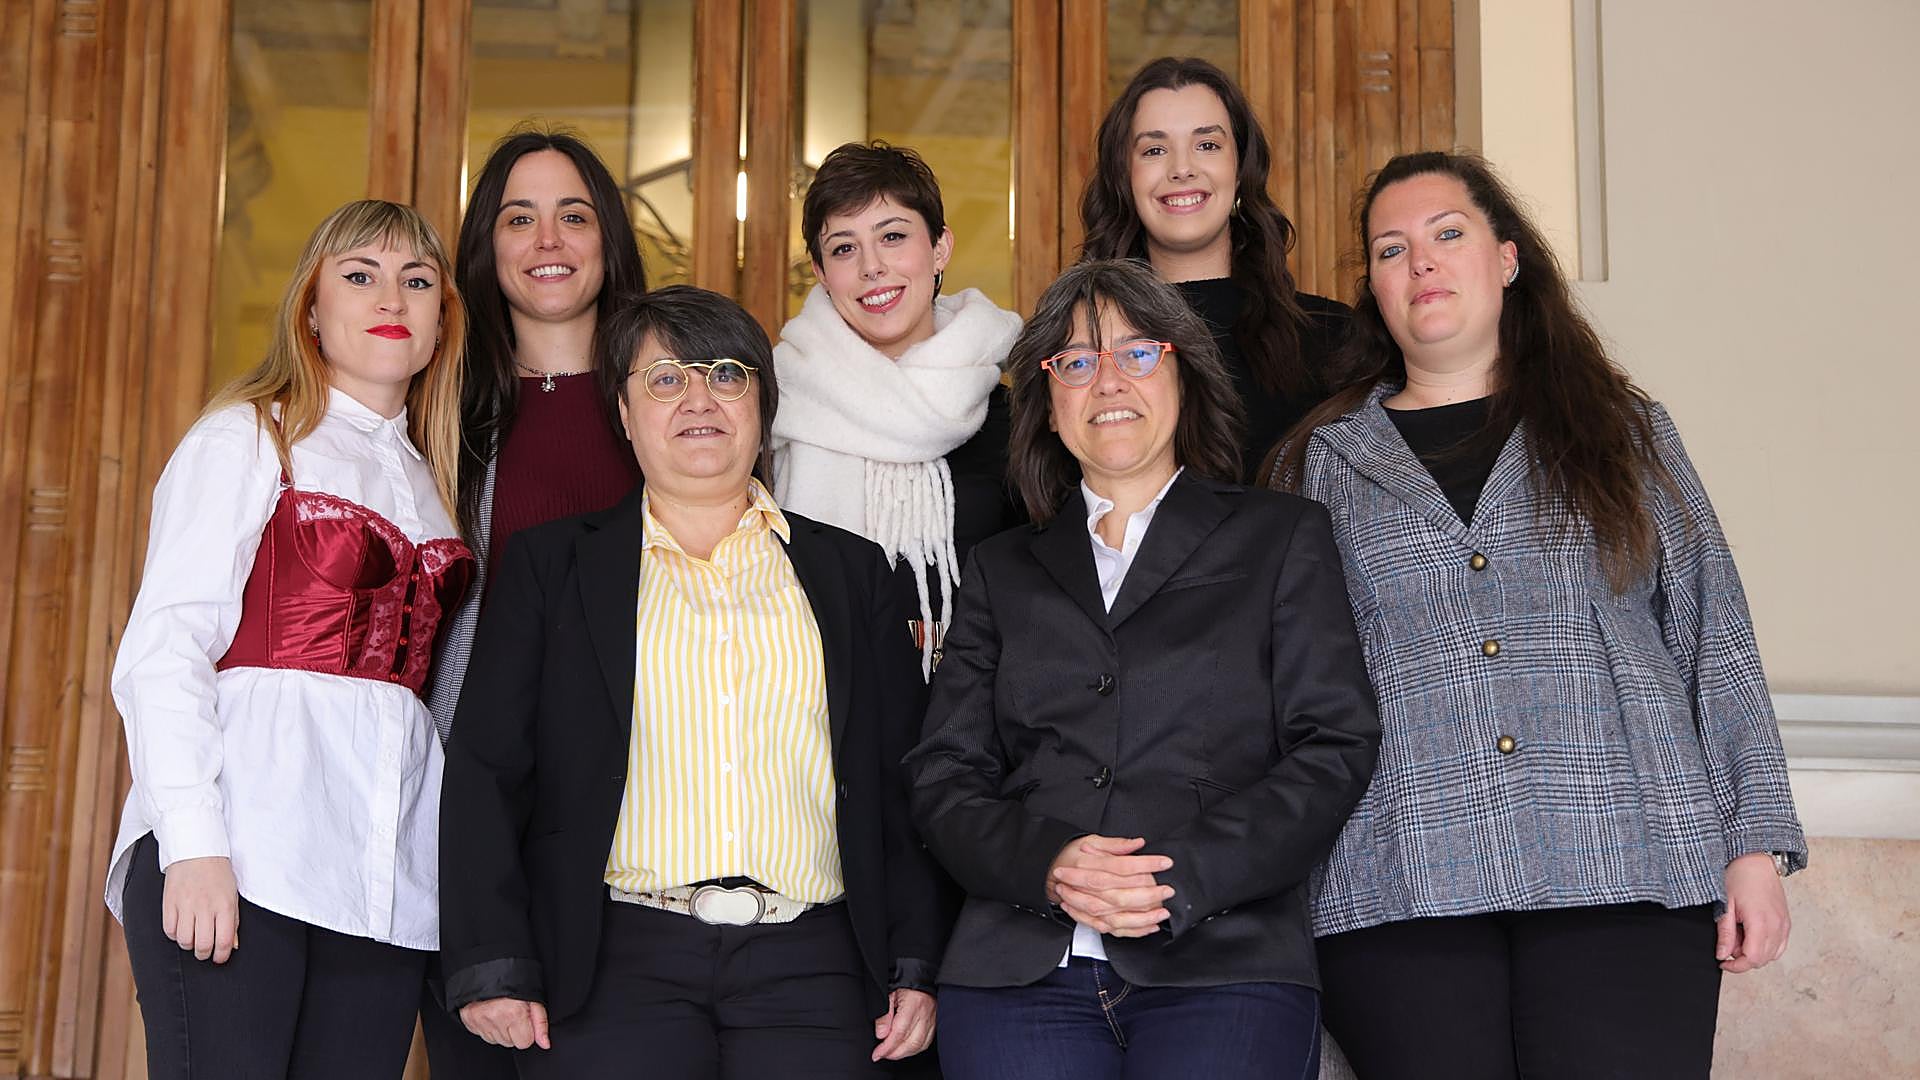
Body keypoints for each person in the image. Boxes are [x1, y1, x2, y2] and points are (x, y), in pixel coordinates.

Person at [1272, 151, 1808, 1080]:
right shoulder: (1317, 463)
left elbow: (1712, 633)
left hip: (1630, 862)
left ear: (1507, 258)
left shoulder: (1623, 431)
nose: (1421, 262)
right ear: (1375, 289)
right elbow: (1288, 683)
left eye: (1448, 234)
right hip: (1400, 874)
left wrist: (1753, 844)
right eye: (1391, 250)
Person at [439, 285, 952, 1078]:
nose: (698, 399)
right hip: (612, 964)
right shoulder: (553, 566)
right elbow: (487, 767)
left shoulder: (851, 572)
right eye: (665, 379)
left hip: (816, 968)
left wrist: (916, 961)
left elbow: (901, 779)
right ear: (623, 411)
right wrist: (492, 960)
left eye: (726, 374)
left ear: (763, 404)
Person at [906, 259, 1380, 1080]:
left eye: (1136, 352)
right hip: (1018, 971)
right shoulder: (1000, 568)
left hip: (1224, 959)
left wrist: (1181, 874)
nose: (1107, 381)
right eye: (1076, 361)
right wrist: (1046, 862)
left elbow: (1334, 744)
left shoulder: (1281, 537)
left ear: (1183, 374)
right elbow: (944, 772)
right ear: (1049, 403)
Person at [105, 199, 472, 1077]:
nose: (392, 297)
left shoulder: (436, 479)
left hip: (384, 882)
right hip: (247, 848)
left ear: (440, 324)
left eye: (417, 280)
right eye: (360, 275)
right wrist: (194, 844)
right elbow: (166, 648)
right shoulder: (247, 435)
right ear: (311, 307)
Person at [420, 127, 648, 1074]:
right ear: (487, 245)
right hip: (476, 816)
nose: (548, 240)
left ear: (609, 240)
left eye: (573, 215)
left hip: (645, 811)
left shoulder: (675, 405)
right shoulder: (436, 411)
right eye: (519, 218)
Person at [771, 140, 1023, 676]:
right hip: (816, 707)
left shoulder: (1015, 422)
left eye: (892, 236)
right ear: (820, 272)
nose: (872, 267)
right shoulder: (775, 408)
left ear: (939, 248)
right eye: (844, 248)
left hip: (978, 711)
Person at [1080, 56, 1348, 481]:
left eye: (1207, 145)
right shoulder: (1079, 351)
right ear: (1124, 179)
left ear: (1240, 170)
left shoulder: (1334, 337)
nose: (1182, 169)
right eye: (1154, 150)